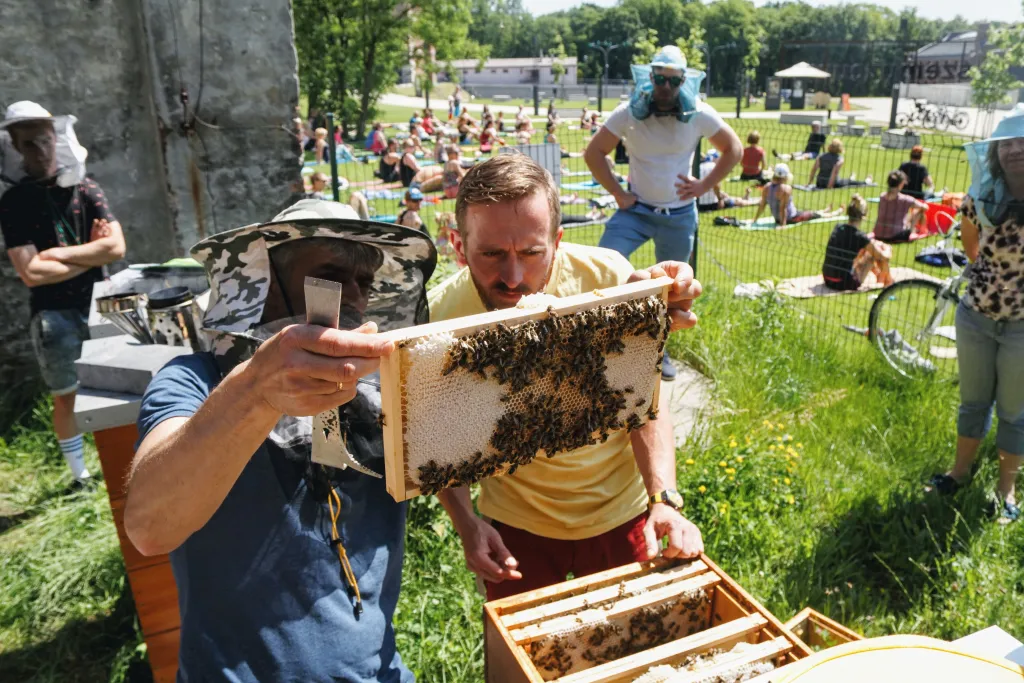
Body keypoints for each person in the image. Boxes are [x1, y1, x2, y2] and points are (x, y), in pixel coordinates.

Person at [124, 199, 436, 680]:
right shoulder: (192, 381)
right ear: (265, 286)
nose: (354, 295)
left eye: (364, 282)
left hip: (381, 670)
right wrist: (255, 392)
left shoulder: (385, 391)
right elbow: (149, 526)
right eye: (332, 274)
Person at [428, 154, 705, 600]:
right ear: (459, 247)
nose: (514, 277)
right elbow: (436, 441)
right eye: (492, 254)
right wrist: (467, 525)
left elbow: (646, 405)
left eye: (532, 253)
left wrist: (665, 500)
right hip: (515, 528)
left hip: (624, 513)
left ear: (557, 241)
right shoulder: (438, 318)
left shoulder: (610, 279)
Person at [584, 45, 741, 381]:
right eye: (659, 79)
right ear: (649, 77)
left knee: (672, 292)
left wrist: (704, 186)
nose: (666, 88)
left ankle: (659, 353)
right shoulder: (628, 113)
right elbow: (594, 152)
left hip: (680, 213)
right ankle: (603, 343)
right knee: (603, 266)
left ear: (684, 81)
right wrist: (617, 193)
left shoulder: (698, 112)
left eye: (673, 81)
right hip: (636, 210)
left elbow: (733, 149)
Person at [0, 102, 127, 484]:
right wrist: (91, 254)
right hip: (54, 316)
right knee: (66, 396)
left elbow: (117, 247)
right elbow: (32, 272)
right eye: (29, 144)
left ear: (56, 137)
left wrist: (57, 254)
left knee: (115, 388)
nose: (40, 150)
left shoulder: (87, 189)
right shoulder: (13, 202)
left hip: (100, 305)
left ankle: (120, 464)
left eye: (44, 139)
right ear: (16, 148)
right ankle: (79, 476)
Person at [926, 106, 1024, 523]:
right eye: (1009, 143)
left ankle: (1007, 490)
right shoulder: (979, 197)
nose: (1017, 150)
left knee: (1015, 411)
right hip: (975, 318)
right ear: (996, 152)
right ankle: (959, 472)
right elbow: (971, 248)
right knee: (973, 403)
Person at [821, 194, 892, 291]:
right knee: (872, 256)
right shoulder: (859, 236)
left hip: (827, 279)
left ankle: (883, 277)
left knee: (866, 251)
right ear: (864, 216)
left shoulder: (838, 228)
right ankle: (888, 282)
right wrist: (887, 248)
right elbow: (884, 257)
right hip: (843, 283)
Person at [752, 164, 841, 227]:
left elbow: (762, 205)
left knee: (809, 212)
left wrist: (755, 219)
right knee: (814, 215)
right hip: (791, 218)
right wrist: (783, 225)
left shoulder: (767, 187)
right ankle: (834, 213)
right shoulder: (785, 189)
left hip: (778, 218)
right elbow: (783, 208)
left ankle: (825, 210)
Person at [872, 170, 929, 243]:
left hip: (878, 234)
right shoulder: (905, 199)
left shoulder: (882, 196)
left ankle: (908, 227)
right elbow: (925, 207)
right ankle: (912, 231)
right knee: (919, 210)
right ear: (901, 184)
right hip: (896, 236)